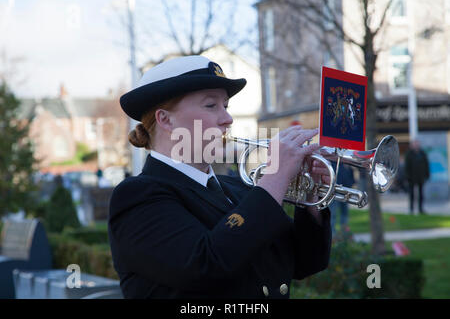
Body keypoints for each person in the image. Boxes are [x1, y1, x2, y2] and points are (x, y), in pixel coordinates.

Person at [108, 55, 332, 299]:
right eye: (210, 105)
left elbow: (305, 263)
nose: (227, 119)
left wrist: (311, 198)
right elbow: (206, 266)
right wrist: (275, 178)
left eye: (225, 105)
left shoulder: (238, 188)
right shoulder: (137, 196)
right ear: (165, 119)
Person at [404, 139, 430, 215]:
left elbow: (426, 165)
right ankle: (411, 209)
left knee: (421, 194)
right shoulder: (409, 154)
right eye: (415, 144)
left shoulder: (422, 153)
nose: (416, 145)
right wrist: (407, 177)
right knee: (411, 194)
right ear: (412, 145)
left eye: (417, 144)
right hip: (411, 178)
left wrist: (427, 175)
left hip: (421, 177)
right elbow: (407, 167)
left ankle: (420, 209)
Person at [330, 162, 355, 235]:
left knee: (345, 213)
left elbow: (349, 173)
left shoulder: (346, 161)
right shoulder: (333, 161)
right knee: (333, 213)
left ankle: (344, 232)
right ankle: (332, 234)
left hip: (346, 189)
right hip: (335, 190)